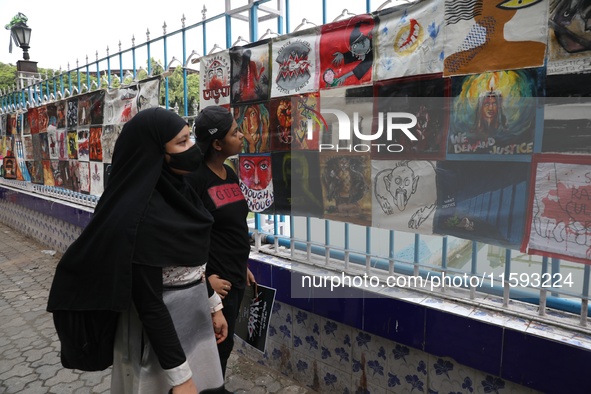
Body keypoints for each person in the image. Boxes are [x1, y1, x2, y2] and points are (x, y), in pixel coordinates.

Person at [47, 107, 227, 394]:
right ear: (154, 151)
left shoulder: (181, 194)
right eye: (181, 143)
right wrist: (181, 379)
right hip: (157, 345)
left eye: (189, 138)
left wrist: (213, 306)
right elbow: (150, 306)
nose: (192, 148)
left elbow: (190, 267)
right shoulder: (139, 218)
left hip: (193, 325)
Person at [187, 106, 256, 381]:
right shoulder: (194, 180)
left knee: (224, 347)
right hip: (216, 285)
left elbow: (234, 226)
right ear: (217, 143)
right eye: (234, 132)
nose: (242, 136)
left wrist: (243, 265)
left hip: (235, 276)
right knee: (209, 348)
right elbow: (189, 237)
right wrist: (205, 284)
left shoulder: (230, 173)